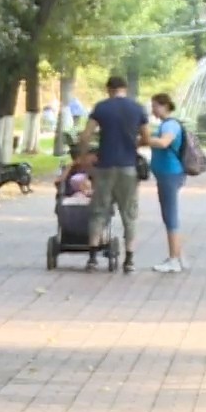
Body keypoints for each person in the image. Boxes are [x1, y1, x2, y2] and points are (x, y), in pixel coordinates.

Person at [77, 75, 149, 273]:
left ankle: (92, 258)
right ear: (125, 89)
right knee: (129, 213)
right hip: (128, 167)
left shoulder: (101, 108)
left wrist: (84, 158)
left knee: (99, 210)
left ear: (108, 89)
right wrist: (133, 144)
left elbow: (85, 136)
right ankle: (129, 260)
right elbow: (147, 137)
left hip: (105, 166)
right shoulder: (137, 108)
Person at [147, 92, 189, 273]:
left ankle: (174, 259)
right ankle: (178, 256)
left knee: (170, 216)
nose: (153, 109)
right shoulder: (166, 124)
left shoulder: (170, 125)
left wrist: (146, 139)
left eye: (155, 105)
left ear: (164, 106)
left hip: (170, 174)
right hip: (166, 174)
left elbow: (164, 143)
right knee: (169, 215)